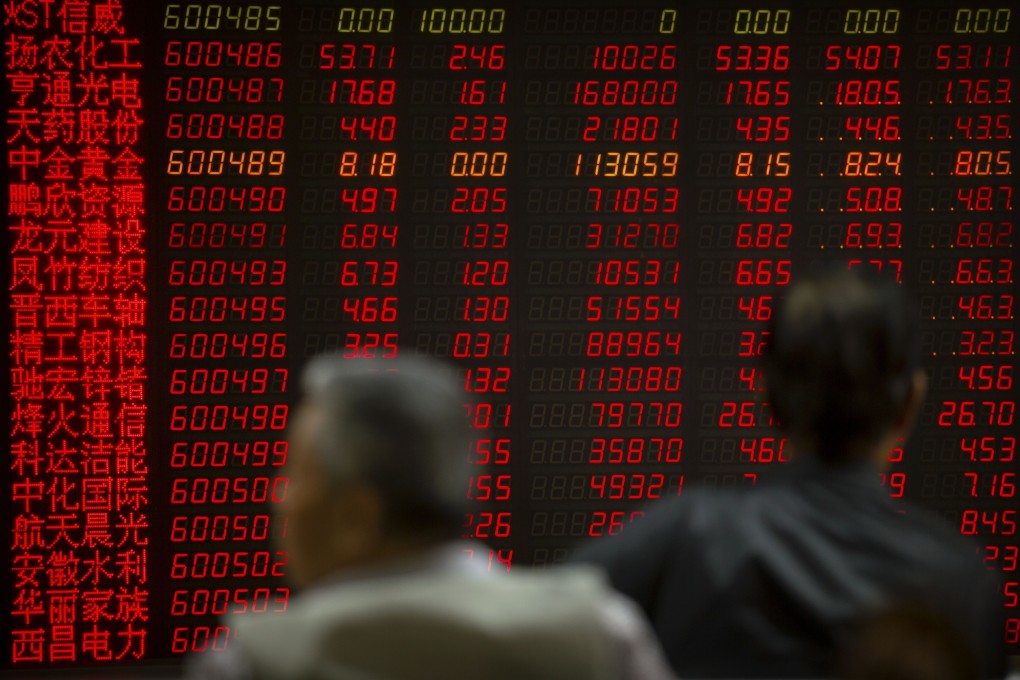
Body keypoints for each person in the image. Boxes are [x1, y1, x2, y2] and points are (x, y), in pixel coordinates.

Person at [573, 268, 1007, 678]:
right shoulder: (964, 585)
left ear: (769, 398)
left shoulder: (690, 534)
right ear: (909, 403)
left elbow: (530, 620)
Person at [187, 352, 675, 680]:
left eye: (295, 473)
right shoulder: (601, 636)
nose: (279, 497)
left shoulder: (251, 662)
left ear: (357, 517)